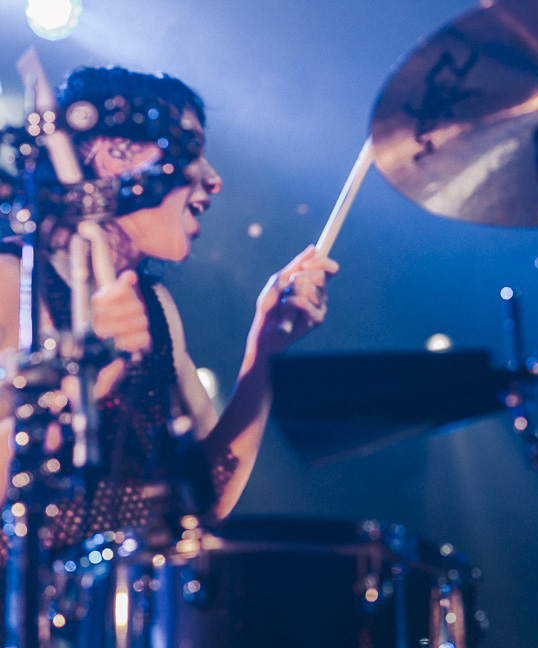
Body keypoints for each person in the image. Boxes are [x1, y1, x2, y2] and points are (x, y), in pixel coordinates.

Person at [0, 66, 338, 551]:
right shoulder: (12, 278)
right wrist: (77, 370)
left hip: (117, 619)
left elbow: (204, 501)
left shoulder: (155, 310)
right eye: (189, 151)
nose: (214, 180)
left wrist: (264, 352)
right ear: (111, 155)